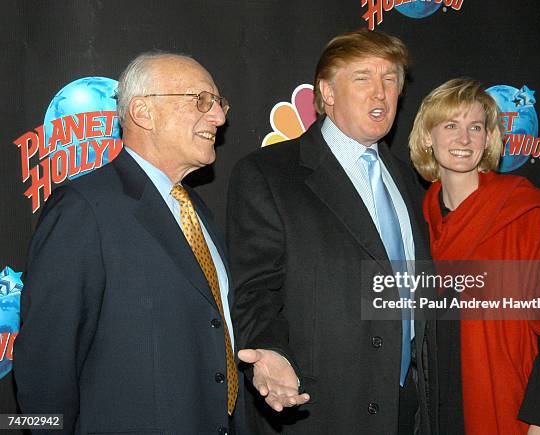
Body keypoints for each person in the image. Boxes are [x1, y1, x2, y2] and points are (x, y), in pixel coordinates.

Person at [14, 52, 245, 435]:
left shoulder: (195, 208)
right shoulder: (84, 208)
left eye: (219, 104)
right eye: (202, 100)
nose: (219, 117)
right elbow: (43, 365)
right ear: (143, 111)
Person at [227, 29, 440, 434]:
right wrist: (271, 352)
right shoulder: (269, 174)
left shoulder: (408, 181)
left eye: (390, 80)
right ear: (326, 93)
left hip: (408, 409)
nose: (380, 93)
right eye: (363, 78)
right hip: (323, 411)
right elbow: (254, 289)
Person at [409, 77, 540, 434]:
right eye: (450, 125)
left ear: (488, 139)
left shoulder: (532, 213)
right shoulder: (418, 218)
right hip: (437, 409)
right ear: (427, 138)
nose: (464, 139)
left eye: (476, 127)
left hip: (511, 405)